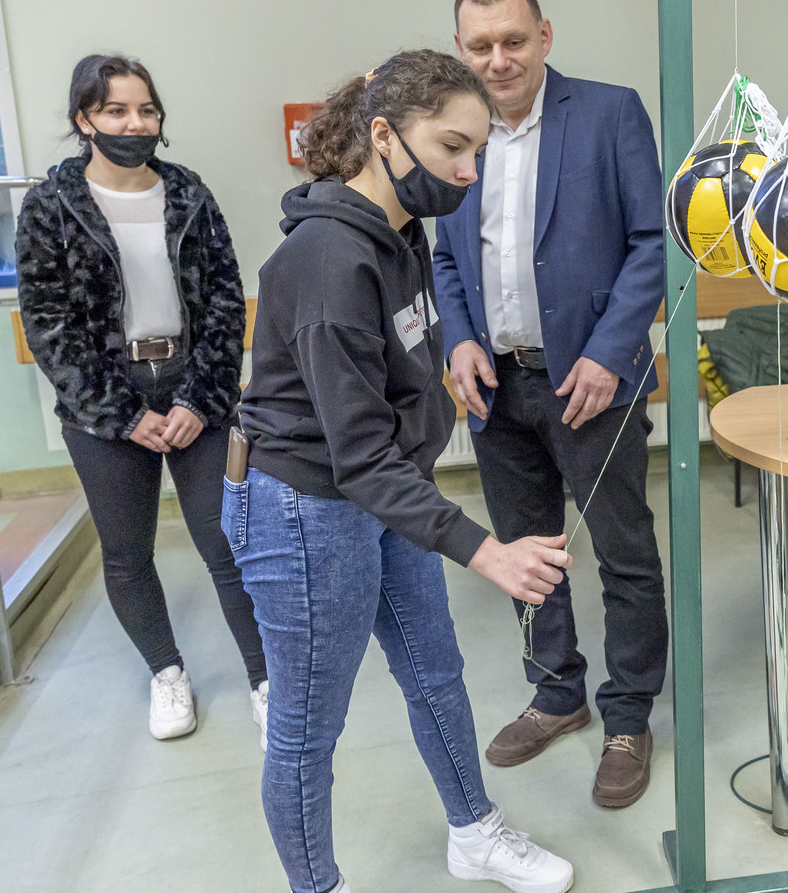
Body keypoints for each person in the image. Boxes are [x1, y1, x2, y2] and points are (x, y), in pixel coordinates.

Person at [228, 49, 575, 893]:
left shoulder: (402, 233)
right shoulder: (326, 260)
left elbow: (396, 377)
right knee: (307, 728)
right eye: (452, 147)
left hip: (385, 495)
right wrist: (487, 551)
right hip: (304, 509)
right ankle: (317, 885)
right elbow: (357, 454)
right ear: (383, 135)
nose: (468, 171)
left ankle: (474, 833)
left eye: (478, 152)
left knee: (434, 671)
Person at [433, 0, 668, 808]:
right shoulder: (455, 133)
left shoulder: (609, 113)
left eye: (513, 41)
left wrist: (610, 352)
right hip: (498, 391)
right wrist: (458, 338)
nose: (498, 60)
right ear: (461, 49)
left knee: (624, 555)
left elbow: (653, 242)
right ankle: (556, 692)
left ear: (545, 36)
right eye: (481, 45)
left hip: (590, 384)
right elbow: (445, 257)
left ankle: (628, 715)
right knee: (525, 558)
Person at [16, 54, 267, 744]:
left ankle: (264, 679)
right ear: (84, 120)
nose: (135, 123)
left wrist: (199, 399)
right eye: (117, 110)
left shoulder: (188, 193)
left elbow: (224, 302)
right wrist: (124, 415)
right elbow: (48, 325)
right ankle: (167, 673)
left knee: (229, 543)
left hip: (193, 386)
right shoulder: (50, 204)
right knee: (128, 553)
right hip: (104, 402)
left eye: (146, 110)